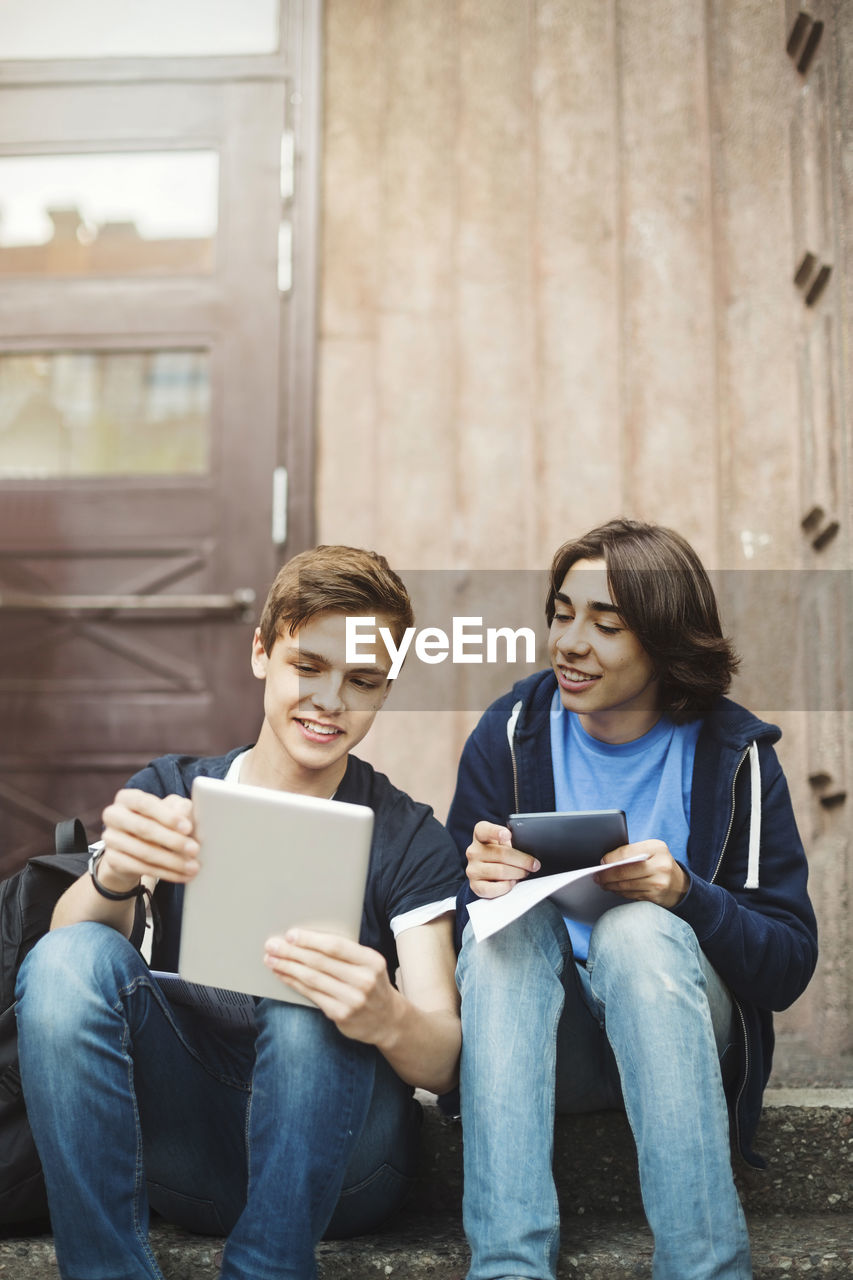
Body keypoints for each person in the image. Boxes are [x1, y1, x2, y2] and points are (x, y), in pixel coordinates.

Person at [15, 545, 465, 1280]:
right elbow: (61, 977)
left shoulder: (408, 836)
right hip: (188, 1153)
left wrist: (382, 1011)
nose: (328, 701)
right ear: (262, 652)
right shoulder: (173, 791)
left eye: (361, 681)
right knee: (67, 958)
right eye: (307, 666)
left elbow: (443, 1059)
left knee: (307, 997)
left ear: (387, 690)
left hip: (345, 1169)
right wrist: (117, 870)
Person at [448, 518, 818, 1280]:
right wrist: (476, 889)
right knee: (501, 934)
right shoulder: (511, 729)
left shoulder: (732, 753)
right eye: (560, 613)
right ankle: (507, 1267)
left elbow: (785, 965)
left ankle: (703, 1269)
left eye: (605, 624)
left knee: (636, 931)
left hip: (678, 1035)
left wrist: (685, 895)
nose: (569, 643)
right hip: (550, 1046)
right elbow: (450, 919)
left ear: (662, 640)